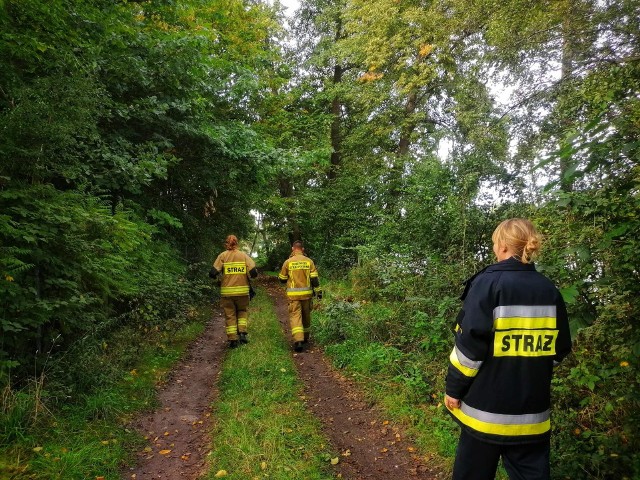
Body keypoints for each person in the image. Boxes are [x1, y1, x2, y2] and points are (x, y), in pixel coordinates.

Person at [445, 218, 572, 480]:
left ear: (503, 245)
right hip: (532, 417)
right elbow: (559, 350)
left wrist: (453, 389)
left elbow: (470, 350)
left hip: (485, 415)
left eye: (494, 243)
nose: (494, 248)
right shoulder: (549, 290)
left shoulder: (488, 284)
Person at [210, 235, 258, 348]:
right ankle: (242, 333)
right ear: (237, 243)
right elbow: (254, 273)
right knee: (242, 311)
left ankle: (232, 340)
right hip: (243, 292)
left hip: (227, 293)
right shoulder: (243, 255)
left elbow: (212, 273)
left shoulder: (222, 256)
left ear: (226, 243)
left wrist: (219, 277)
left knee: (230, 314)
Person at [279, 240, 321, 352]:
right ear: (303, 249)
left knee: (295, 317)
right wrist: (318, 291)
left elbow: (282, 280)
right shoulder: (309, 262)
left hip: (293, 296)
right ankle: (306, 338)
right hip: (307, 295)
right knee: (306, 316)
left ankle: (298, 341)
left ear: (293, 249)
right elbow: (314, 279)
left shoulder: (288, 262)